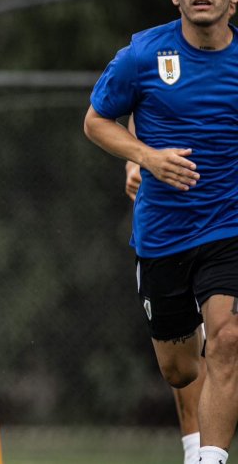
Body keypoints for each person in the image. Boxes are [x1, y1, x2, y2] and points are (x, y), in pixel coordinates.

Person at [85, 0, 238, 464]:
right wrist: (144, 158)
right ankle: (194, 441)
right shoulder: (143, 55)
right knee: (182, 368)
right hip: (163, 234)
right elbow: (96, 121)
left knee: (228, 340)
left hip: (229, 227)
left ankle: (208, 457)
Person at [124, 118, 206, 464]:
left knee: (225, 337)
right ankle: (196, 451)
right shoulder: (148, 63)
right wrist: (136, 160)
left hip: (225, 217)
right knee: (182, 355)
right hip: (173, 220)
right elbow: (135, 104)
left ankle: (207, 453)